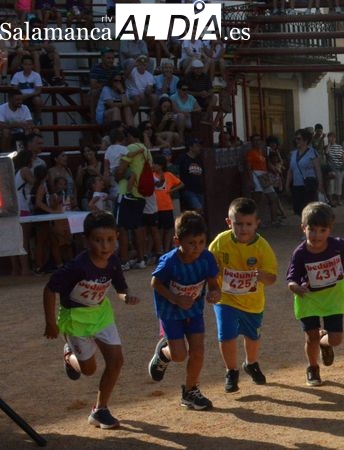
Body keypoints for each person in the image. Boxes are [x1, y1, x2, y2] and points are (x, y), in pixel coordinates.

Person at [42, 211, 142, 429]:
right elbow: (49, 289)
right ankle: (69, 355)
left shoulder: (113, 261)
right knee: (88, 370)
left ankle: (100, 410)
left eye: (110, 240)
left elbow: (120, 287)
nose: (105, 246)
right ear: (86, 240)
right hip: (76, 320)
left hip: (101, 315)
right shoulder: (77, 266)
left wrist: (126, 297)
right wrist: (51, 322)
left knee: (116, 361)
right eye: (98, 240)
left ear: (116, 237)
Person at [148, 211, 221, 409]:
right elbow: (155, 282)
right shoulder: (169, 262)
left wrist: (215, 293)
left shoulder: (207, 259)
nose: (197, 247)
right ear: (177, 241)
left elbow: (213, 284)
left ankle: (190, 391)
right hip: (170, 312)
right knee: (179, 355)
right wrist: (175, 298)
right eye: (191, 243)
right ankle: (164, 353)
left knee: (198, 351)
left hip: (194, 311)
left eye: (201, 241)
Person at [209, 197, 278, 393]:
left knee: (252, 337)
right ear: (228, 222)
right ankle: (231, 371)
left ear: (257, 224)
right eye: (238, 224)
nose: (243, 229)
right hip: (226, 299)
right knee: (226, 335)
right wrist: (213, 286)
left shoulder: (262, 247)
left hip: (252, 302)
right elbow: (208, 267)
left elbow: (272, 278)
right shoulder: (220, 243)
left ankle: (251, 363)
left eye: (248, 224)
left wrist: (260, 275)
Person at [286, 202, 344, 385]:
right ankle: (313, 368)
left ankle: (325, 344)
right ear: (303, 228)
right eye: (312, 229)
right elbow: (291, 277)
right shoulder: (300, 253)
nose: (317, 235)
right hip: (308, 298)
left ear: (330, 229)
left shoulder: (338, 246)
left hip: (333, 298)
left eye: (322, 230)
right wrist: (294, 286)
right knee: (311, 337)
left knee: (336, 339)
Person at [115, 127, 153, 271]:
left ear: (130, 136)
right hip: (141, 194)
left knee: (123, 228)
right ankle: (141, 259)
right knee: (138, 227)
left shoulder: (130, 148)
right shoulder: (147, 151)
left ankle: (124, 261)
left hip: (127, 193)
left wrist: (117, 176)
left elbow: (120, 171)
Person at [285, 128, 323, 216]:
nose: (296, 140)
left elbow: (318, 169)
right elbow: (290, 170)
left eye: (299, 139)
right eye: (296, 138)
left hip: (308, 184)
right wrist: (287, 184)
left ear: (305, 140)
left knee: (309, 209)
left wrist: (320, 184)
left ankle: (309, 225)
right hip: (296, 185)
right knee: (298, 208)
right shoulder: (293, 153)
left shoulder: (312, 152)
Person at [152, 154, 183, 252]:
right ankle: (160, 250)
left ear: (160, 165)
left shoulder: (168, 175)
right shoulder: (152, 175)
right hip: (156, 206)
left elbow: (181, 184)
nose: (153, 165)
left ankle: (166, 249)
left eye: (155, 164)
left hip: (167, 206)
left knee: (169, 229)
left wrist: (172, 190)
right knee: (160, 230)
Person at [10, 55, 42, 124]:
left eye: (30, 64)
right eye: (25, 64)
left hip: (32, 97)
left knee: (38, 100)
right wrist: (21, 96)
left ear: (33, 65)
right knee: (15, 99)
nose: (27, 66)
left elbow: (38, 91)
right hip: (20, 97)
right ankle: (15, 120)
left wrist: (27, 95)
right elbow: (14, 89)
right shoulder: (17, 75)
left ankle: (38, 119)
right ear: (22, 65)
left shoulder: (36, 75)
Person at [178, 138, 206, 214]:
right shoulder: (183, 159)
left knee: (199, 211)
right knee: (198, 208)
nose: (199, 148)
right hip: (188, 190)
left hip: (199, 190)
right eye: (197, 146)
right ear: (190, 147)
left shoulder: (199, 160)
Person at [326, 131, 344, 206]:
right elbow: (326, 153)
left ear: (334, 138)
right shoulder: (328, 147)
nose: (330, 139)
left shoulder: (339, 147)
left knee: (339, 184)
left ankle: (338, 200)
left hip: (340, 168)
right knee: (331, 185)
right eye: (329, 137)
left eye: (331, 137)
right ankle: (331, 201)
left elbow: (342, 156)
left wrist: (343, 165)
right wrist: (329, 145)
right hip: (332, 168)